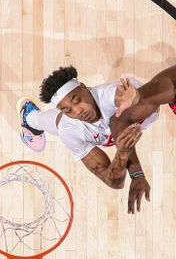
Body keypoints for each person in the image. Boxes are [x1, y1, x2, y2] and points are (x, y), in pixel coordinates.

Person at [17, 66, 159, 214]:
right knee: (59, 124)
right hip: (73, 128)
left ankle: (34, 117)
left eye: (77, 100)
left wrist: (133, 98)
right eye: (67, 110)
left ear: (85, 88)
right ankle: (30, 117)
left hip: (138, 109)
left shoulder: (110, 95)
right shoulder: (70, 128)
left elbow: (119, 96)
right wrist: (122, 152)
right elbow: (113, 181)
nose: (78, 111)